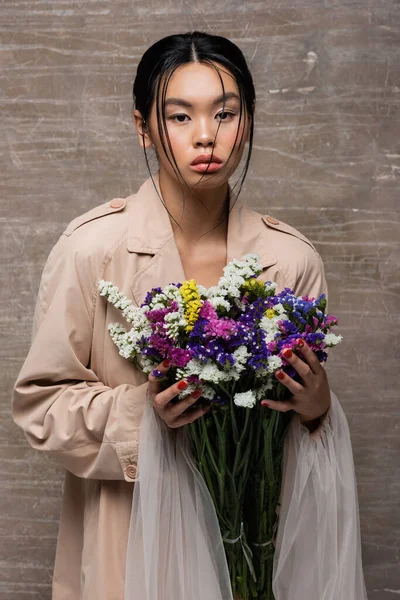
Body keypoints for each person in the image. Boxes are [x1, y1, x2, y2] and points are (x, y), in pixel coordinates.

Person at [11, 31, 368, 600]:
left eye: (225, 114)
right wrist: (143, 413)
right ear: (144, 129)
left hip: (253, 552)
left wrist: (317, 409)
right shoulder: (92, 249)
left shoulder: (291, 259)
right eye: (180, 117)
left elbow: (301, 434)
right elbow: (39, 405)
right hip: (129, 553)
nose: (207, 136)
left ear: (246, 122)